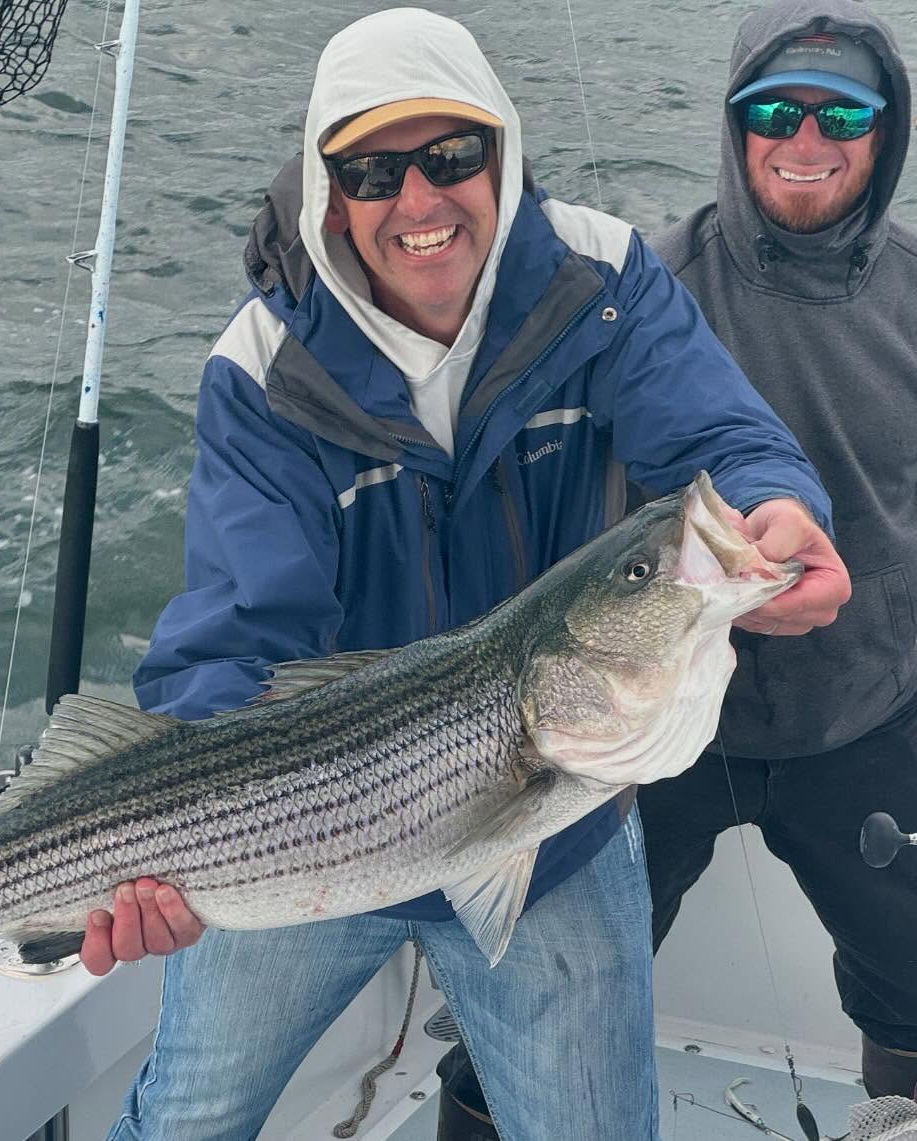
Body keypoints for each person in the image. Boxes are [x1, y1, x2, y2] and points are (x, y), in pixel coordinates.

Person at [80, 9, 850, 1140]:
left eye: (452, 155)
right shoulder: (263, 369)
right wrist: (153, 852)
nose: (420, 200)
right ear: (326, 194)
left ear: (506, 151)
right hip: (302, 835)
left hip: (552, 830)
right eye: (372, 170)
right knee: (186, 1120)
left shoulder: (602, 278)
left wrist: (782, 508)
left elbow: (722, 443)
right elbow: (239, 634)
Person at [635, 0, 917, 1105]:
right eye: (775, 111)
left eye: (842, 111)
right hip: (661, 722)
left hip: (866, 712)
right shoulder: (649, 293)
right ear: (734, 125)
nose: (806, 141)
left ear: (886, 131)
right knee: (534, 989)